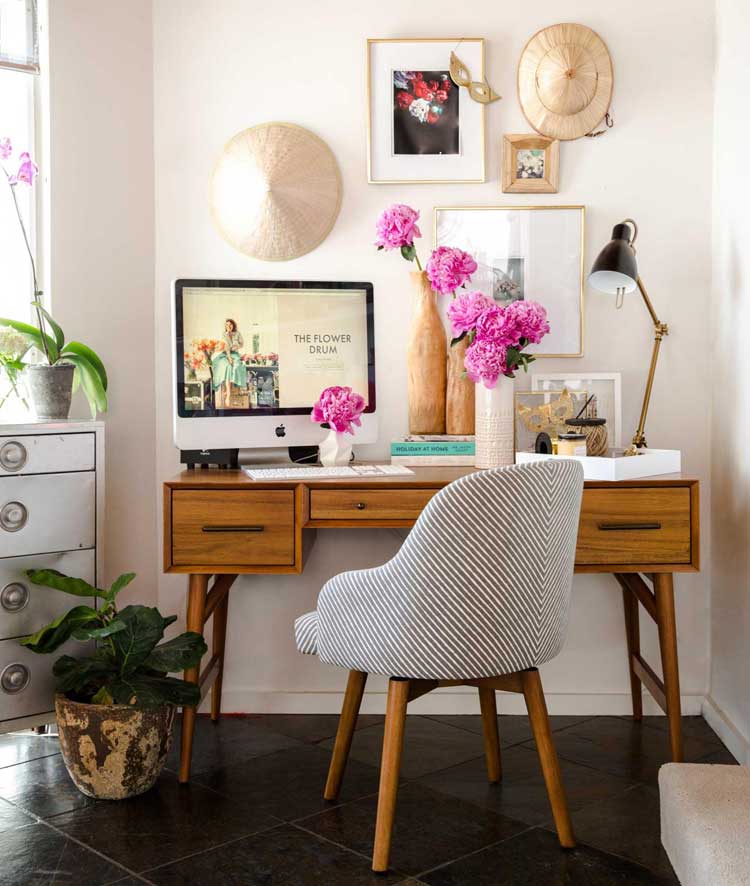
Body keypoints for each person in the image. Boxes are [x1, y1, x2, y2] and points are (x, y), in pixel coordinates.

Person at [212, 319, 247, 407]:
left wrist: (237, 346)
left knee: (237, 367)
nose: (228, 326)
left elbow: (242, 343)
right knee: (227, 366)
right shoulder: (224, 335)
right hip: (226, 354)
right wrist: (229, 358)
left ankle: (229, 390)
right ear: (225, 326)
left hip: (235, 354)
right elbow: (226, 347)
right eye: (227, 325)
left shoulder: (237, 333)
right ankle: (228, 394)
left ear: (233, 325)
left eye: (230, 324)